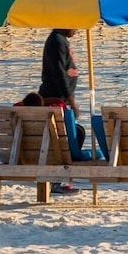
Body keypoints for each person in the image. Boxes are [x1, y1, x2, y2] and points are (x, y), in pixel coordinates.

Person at [38, 29, 98, 162]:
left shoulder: (60, 40)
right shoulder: (56, 41)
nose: (77, 28)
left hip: (60, 101)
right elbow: (59, 74)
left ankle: (59, 176)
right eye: (74, 24)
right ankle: (60, 174)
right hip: (55, 100)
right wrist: (71, 101)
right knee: (74, 134)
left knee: (73, 133)